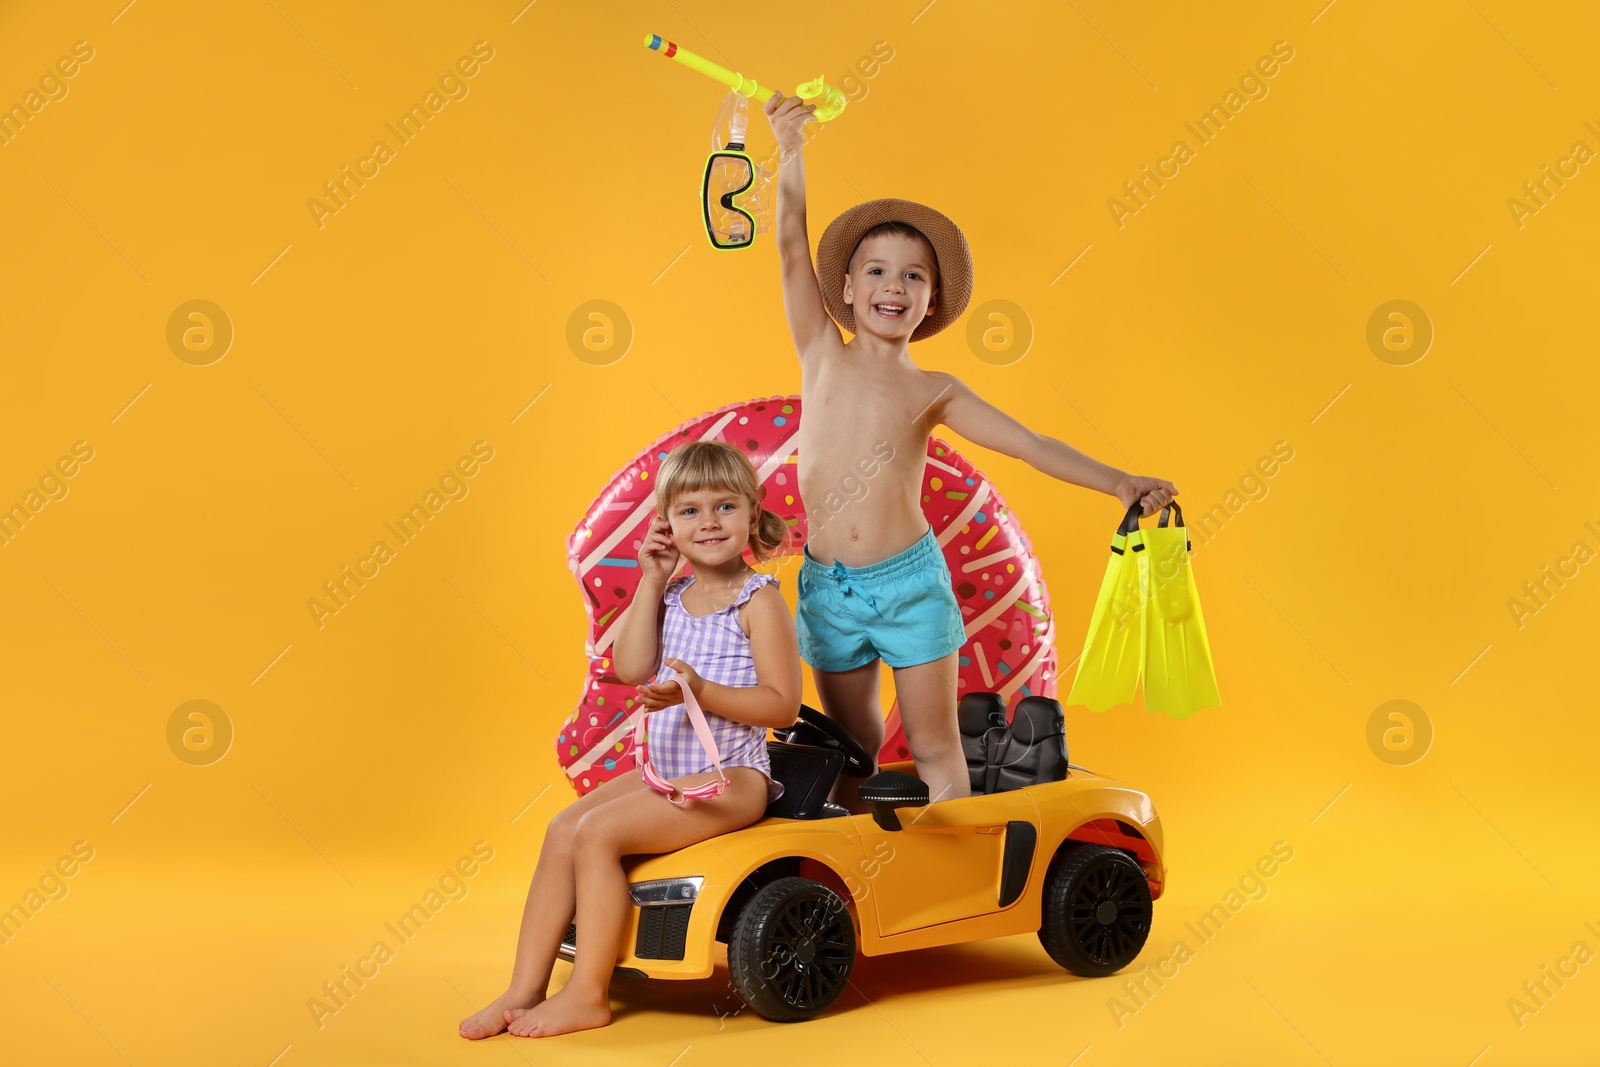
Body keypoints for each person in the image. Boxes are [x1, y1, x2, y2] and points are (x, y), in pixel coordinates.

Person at [762, 92, 1180, 813]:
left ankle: (957, 872)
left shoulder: (936, 389)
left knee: (930, 745)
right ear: (848, 288)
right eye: (877, 271)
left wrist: (1118, 481)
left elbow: (1030, 444)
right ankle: (872, 883)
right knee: (850, 747)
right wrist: (789, 147)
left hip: (909, 587)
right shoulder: (821, 352)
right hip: (830, 586)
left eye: (913, 276)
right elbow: (792, 244)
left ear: (932, 300)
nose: (894, 285)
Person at [459, 441, 800, 1040]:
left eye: (724, 506)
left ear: (751, 514)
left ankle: (587, 994)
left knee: (598, 834)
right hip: (667, 770)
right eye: (689, 511)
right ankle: (523, 988)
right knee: (562, 829)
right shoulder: (669, 596)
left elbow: (783, 705)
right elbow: (631, 667)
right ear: (666, 525)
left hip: (733, 779)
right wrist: (650, 580)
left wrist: (700, 689)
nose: (709, 523)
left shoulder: (759, 600)